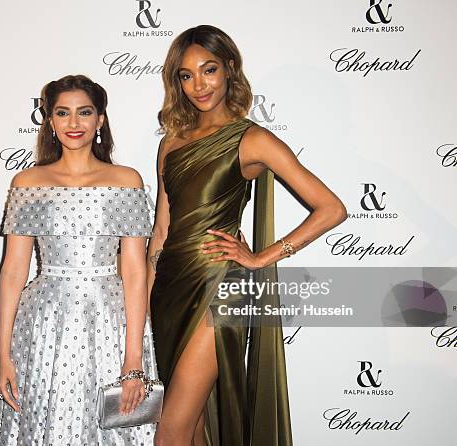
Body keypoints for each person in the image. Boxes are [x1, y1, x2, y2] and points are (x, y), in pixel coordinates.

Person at [147, 25, 347, 446]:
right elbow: (161, 231)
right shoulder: (171, 143)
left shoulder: (252, 139)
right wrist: (145, 302)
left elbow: (332, 209)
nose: (198, 84)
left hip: (222, 288)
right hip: (170, 289)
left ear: (230, 69)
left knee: (171, 429)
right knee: (194, 423)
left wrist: (261, 257)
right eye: (186, 75)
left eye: (209, 70)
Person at [0, 74, 159, 445]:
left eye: (84, 112)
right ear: (49, 120)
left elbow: (133, 269)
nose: (74, 123)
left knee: (116, 425)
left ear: (100, 119)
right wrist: (3, 355)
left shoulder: (125, 180)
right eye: (62, 113)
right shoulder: (27, 182)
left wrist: (133, 361)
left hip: (110, 319)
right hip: (44, 320)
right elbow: (14, 270)